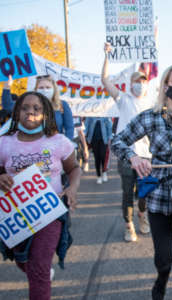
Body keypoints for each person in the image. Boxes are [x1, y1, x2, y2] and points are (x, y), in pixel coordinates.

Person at [111, 64, 172, 300]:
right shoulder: (150, 117)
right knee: (164, 257)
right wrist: (133, 156)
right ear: (166, 85)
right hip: (160, 196)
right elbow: (117, 142)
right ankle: (159, 284)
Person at [0, 91, 80, 300]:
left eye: (37, 109)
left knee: (38, 267)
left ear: (46, 114)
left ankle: (42, 275)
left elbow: (74, 169)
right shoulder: (4, 143)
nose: (30, 112)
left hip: (49, 213)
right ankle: (41, 274)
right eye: (25, 108)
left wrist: (71, 188)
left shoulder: (58, 141)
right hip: (15, 216)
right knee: (22, 260)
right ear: (17, 113)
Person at [102, 42, 152, 239]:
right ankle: (128, 224)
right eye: (136, 81)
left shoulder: (152, 103)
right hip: (126, 157)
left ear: (147, 83)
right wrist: (106, 55)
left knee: (144, 193)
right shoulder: (123, 99)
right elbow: (105, 80)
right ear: (131, 84)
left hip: (146, 156)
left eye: (143, 81)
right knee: (127, 193)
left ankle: (142, 214)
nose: (140, 84)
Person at [2, 75, 74, 141]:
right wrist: (7, 87)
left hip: (56, 148)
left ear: (54, 89)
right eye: (41, 87)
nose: (45, 90)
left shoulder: (62, 105)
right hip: (32, 147)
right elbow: (8, 106)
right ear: (36, 89)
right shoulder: (28, 103)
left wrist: (66, 145)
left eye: (48, 87)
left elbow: (69, 128)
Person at [84, 117, 112, 184]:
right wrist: (83, 136)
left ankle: (104, 172)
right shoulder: (90, 117)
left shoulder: (106, 116)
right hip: (93, 140)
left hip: (104, 140)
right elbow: (86, 127)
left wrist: (110, 138)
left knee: (103, 156)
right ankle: (99, 176)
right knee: (97, 158)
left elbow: (109, 127)